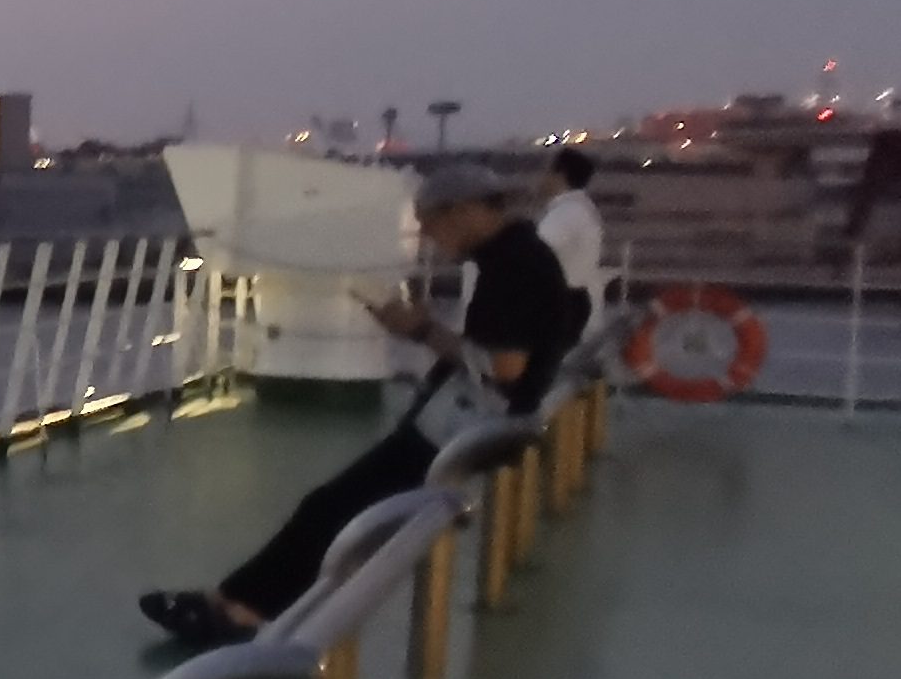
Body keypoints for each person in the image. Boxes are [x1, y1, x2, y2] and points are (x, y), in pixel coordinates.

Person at [141, 166, 586, 646]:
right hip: (466, 421)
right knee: (329, 507)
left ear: (463, 211)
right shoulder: (522, 256)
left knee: (331, 509)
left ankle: (241, 612)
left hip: (466, 427)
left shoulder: (513, 264)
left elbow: (504, 367)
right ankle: (235, 603)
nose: (430, 237)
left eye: (430, 222)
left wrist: (417, 329)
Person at [536, 146, 605, 302]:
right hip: (572, 297)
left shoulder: (565, 213)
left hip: (557, 300)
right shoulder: (582, 208)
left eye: (547, 171)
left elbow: (533, 255)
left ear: (559, 176)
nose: (542, 177)